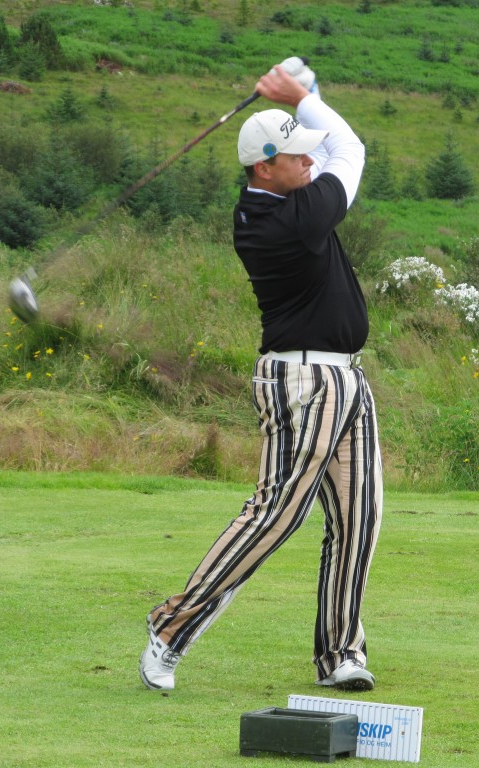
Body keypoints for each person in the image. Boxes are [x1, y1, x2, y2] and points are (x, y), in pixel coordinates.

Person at [139, 60, 383, 693]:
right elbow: (349, 150)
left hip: (344, 380)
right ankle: (171, 628)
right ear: (265, 168)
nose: (308, 163)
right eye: (296, 157)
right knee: (275, 514)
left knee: (358, 520)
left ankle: (340, 653)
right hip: (305, 382)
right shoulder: (292, 220)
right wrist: (301, 95)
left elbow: (324, 147)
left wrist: (304, 97)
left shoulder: (279, 197)